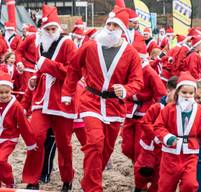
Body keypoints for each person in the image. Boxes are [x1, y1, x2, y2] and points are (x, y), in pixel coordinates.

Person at [61, 5, 143, 192]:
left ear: (122, 30)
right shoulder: (90, 46)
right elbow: (73, 68)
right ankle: (92, 188)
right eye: (109, 24)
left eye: (115, 26)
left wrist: (126, 89)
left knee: (106, 150)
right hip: (91, 101)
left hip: (115, 106)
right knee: (95, 143)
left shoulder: (131, 54)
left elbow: (137, 81)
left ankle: (88, 181)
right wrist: (67, 93)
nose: (111, 28)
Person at [22, 4, 77, 191]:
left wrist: (47, 65)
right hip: (40, 101)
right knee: (35, 137)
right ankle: (33, 179)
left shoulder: (68, 43)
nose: (51, 31)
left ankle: (67, 179)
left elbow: (72, 72)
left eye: (53, 28)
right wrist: (34, 80)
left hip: (62, 102)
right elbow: (40, 70)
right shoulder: (39, 45)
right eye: (48, 29)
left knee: (64, 145)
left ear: (58, 28)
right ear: (43, 29)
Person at [154, 72, 201, 192]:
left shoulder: (199, 110)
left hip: (190, 153)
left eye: (191, 93)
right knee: (166, 186)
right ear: (178, 92)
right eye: (184, 92)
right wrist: (167, 137)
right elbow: (158, 126)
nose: (187, 96)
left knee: (190, 184)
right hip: (170, 154)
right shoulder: (169, 108)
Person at [133, 76, 178, 192]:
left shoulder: (179, 110)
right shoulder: (157, 107)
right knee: (143, 170)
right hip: (150, 147)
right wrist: (157, 135)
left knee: (160, 176)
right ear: (168, 91)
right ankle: (139, 187)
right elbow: (145, 122)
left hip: (166, 150)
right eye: (176, 93)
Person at [0, 72, 37, 188]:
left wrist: (31, 143)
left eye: (7, 92)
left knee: (1, 160)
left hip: (9, 138)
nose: (4, 95)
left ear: (11, 90)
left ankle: (10, 182)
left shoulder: (16, 106)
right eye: (0, 93)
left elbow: (24, 125)